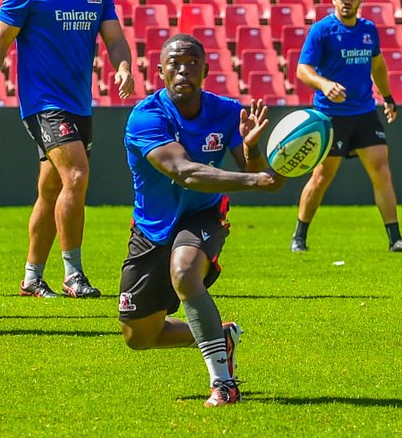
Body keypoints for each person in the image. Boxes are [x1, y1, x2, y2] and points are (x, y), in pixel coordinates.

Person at [0, 0, 135, 299]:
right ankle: (73, 275)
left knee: (51, 189)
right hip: (43, 103)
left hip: (79, 103)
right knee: (76, 176)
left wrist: (123, 66)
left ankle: (31, 277)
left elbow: (115, 38)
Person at [120, 33, 284, 407]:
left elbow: (259, 174)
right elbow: (184, 172)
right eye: (174, 63)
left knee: (184, 270)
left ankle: (224, 384)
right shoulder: (146, 116)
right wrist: (257, 179)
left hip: (204, 215)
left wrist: (254, 149)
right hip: (151, 229)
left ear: (206, 70)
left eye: (192, 62)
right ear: (159, 71)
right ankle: (219, 335)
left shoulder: (227, 112)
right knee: (140, 337)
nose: (183, 69)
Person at [290, 0, 402, 255]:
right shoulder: (322, 31)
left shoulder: (368, 30)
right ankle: (299, 236)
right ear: (334, 1)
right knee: (322, 175)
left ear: (359, 1)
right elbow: (303, 70)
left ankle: (395, 239)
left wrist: (387, 97)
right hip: (330, 115)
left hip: (364, 112)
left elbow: (377, 66)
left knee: (381, 171)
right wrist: (325, 84)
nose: (347, 1)